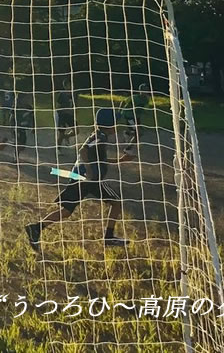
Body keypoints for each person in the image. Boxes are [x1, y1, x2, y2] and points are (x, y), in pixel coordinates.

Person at [25, 108, 129, 251]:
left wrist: (120, 160)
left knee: (67, 211)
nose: (117, 126)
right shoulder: (99, 137)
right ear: (109, 124)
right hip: (88, 179)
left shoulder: (100, 136)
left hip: (81, 178)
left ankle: (36, 228)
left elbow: (100, 159)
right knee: (116, 202)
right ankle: (109, 237)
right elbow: (83, 151)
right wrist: (90, 170)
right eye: (115, 123)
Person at [118, 83, 150, 161]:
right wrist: (119, 112)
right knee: (138, 133)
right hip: (129, 116)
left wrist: (146, 113)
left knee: (139, 133)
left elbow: (144, 109)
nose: (145, 92)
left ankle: (127, 133)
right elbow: (123, 102)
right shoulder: (134, 97)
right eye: (143, 90)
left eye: (146, 90)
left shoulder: (146, 100)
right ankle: (128, 149)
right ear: (140, 91)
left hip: (136, 118)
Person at [55, 78, 76, 149]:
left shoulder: (73, 94)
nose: (72, 86)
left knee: (76, 131)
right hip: (62, 116)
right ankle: (58, 149)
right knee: (61, 133)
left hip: (70, 115)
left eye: (72, 84)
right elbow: (57, 107)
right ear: (65, 86)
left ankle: (66, 136)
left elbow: (74, 105)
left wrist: (73, 111)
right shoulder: (62, 94)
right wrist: (65, 110)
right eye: (70, 85)